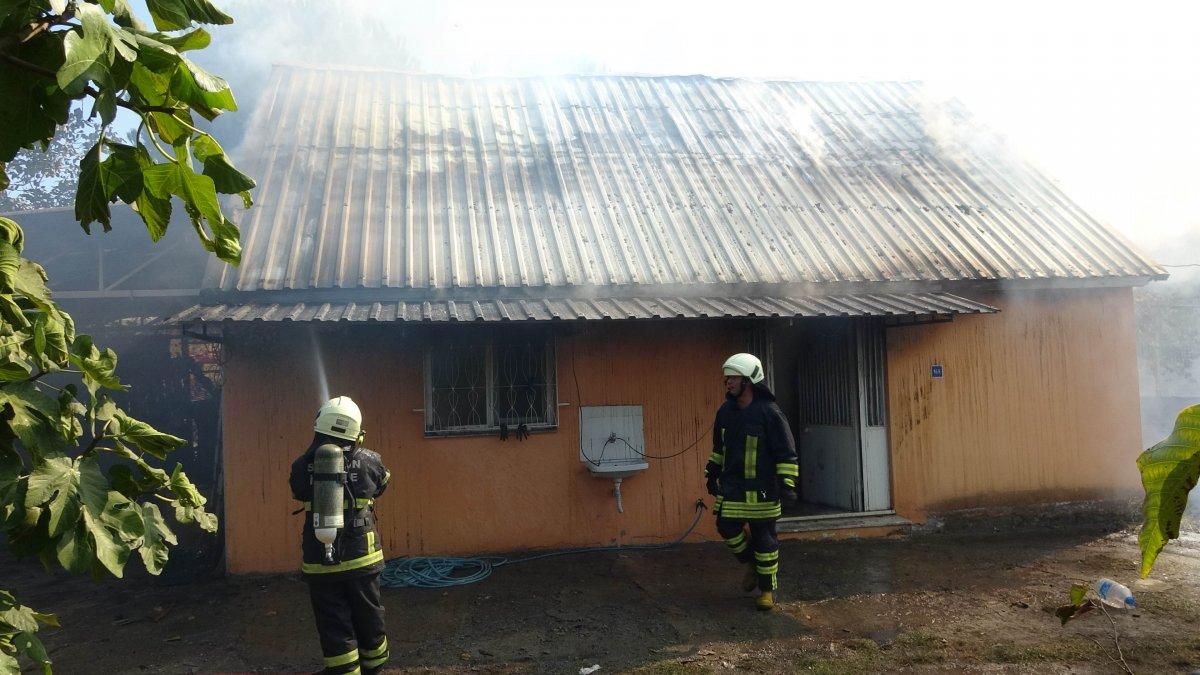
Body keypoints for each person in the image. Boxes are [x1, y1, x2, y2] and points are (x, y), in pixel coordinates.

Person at [289, 396, 392, 674]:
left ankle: (344, 670)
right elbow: (382, 484)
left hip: (320, 558)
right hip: (362, 556)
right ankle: (374, 666)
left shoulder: (301, 465)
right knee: (368, 613)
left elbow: (297, 490)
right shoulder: (370, 460)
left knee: (333, 621)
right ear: (355, 429)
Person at [705, 353, 799, 610]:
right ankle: (752, 565)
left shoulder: (770, 413)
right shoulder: (725, 412)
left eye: (733, 378)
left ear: (749, 380)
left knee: (765, 539)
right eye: (727, 379)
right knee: (726, 526)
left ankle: (767, 591)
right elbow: (718, 448)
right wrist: (711, 472)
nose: (728, 383)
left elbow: (786, 452)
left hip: (763, 489)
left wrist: (788, 484)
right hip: (734, 487)